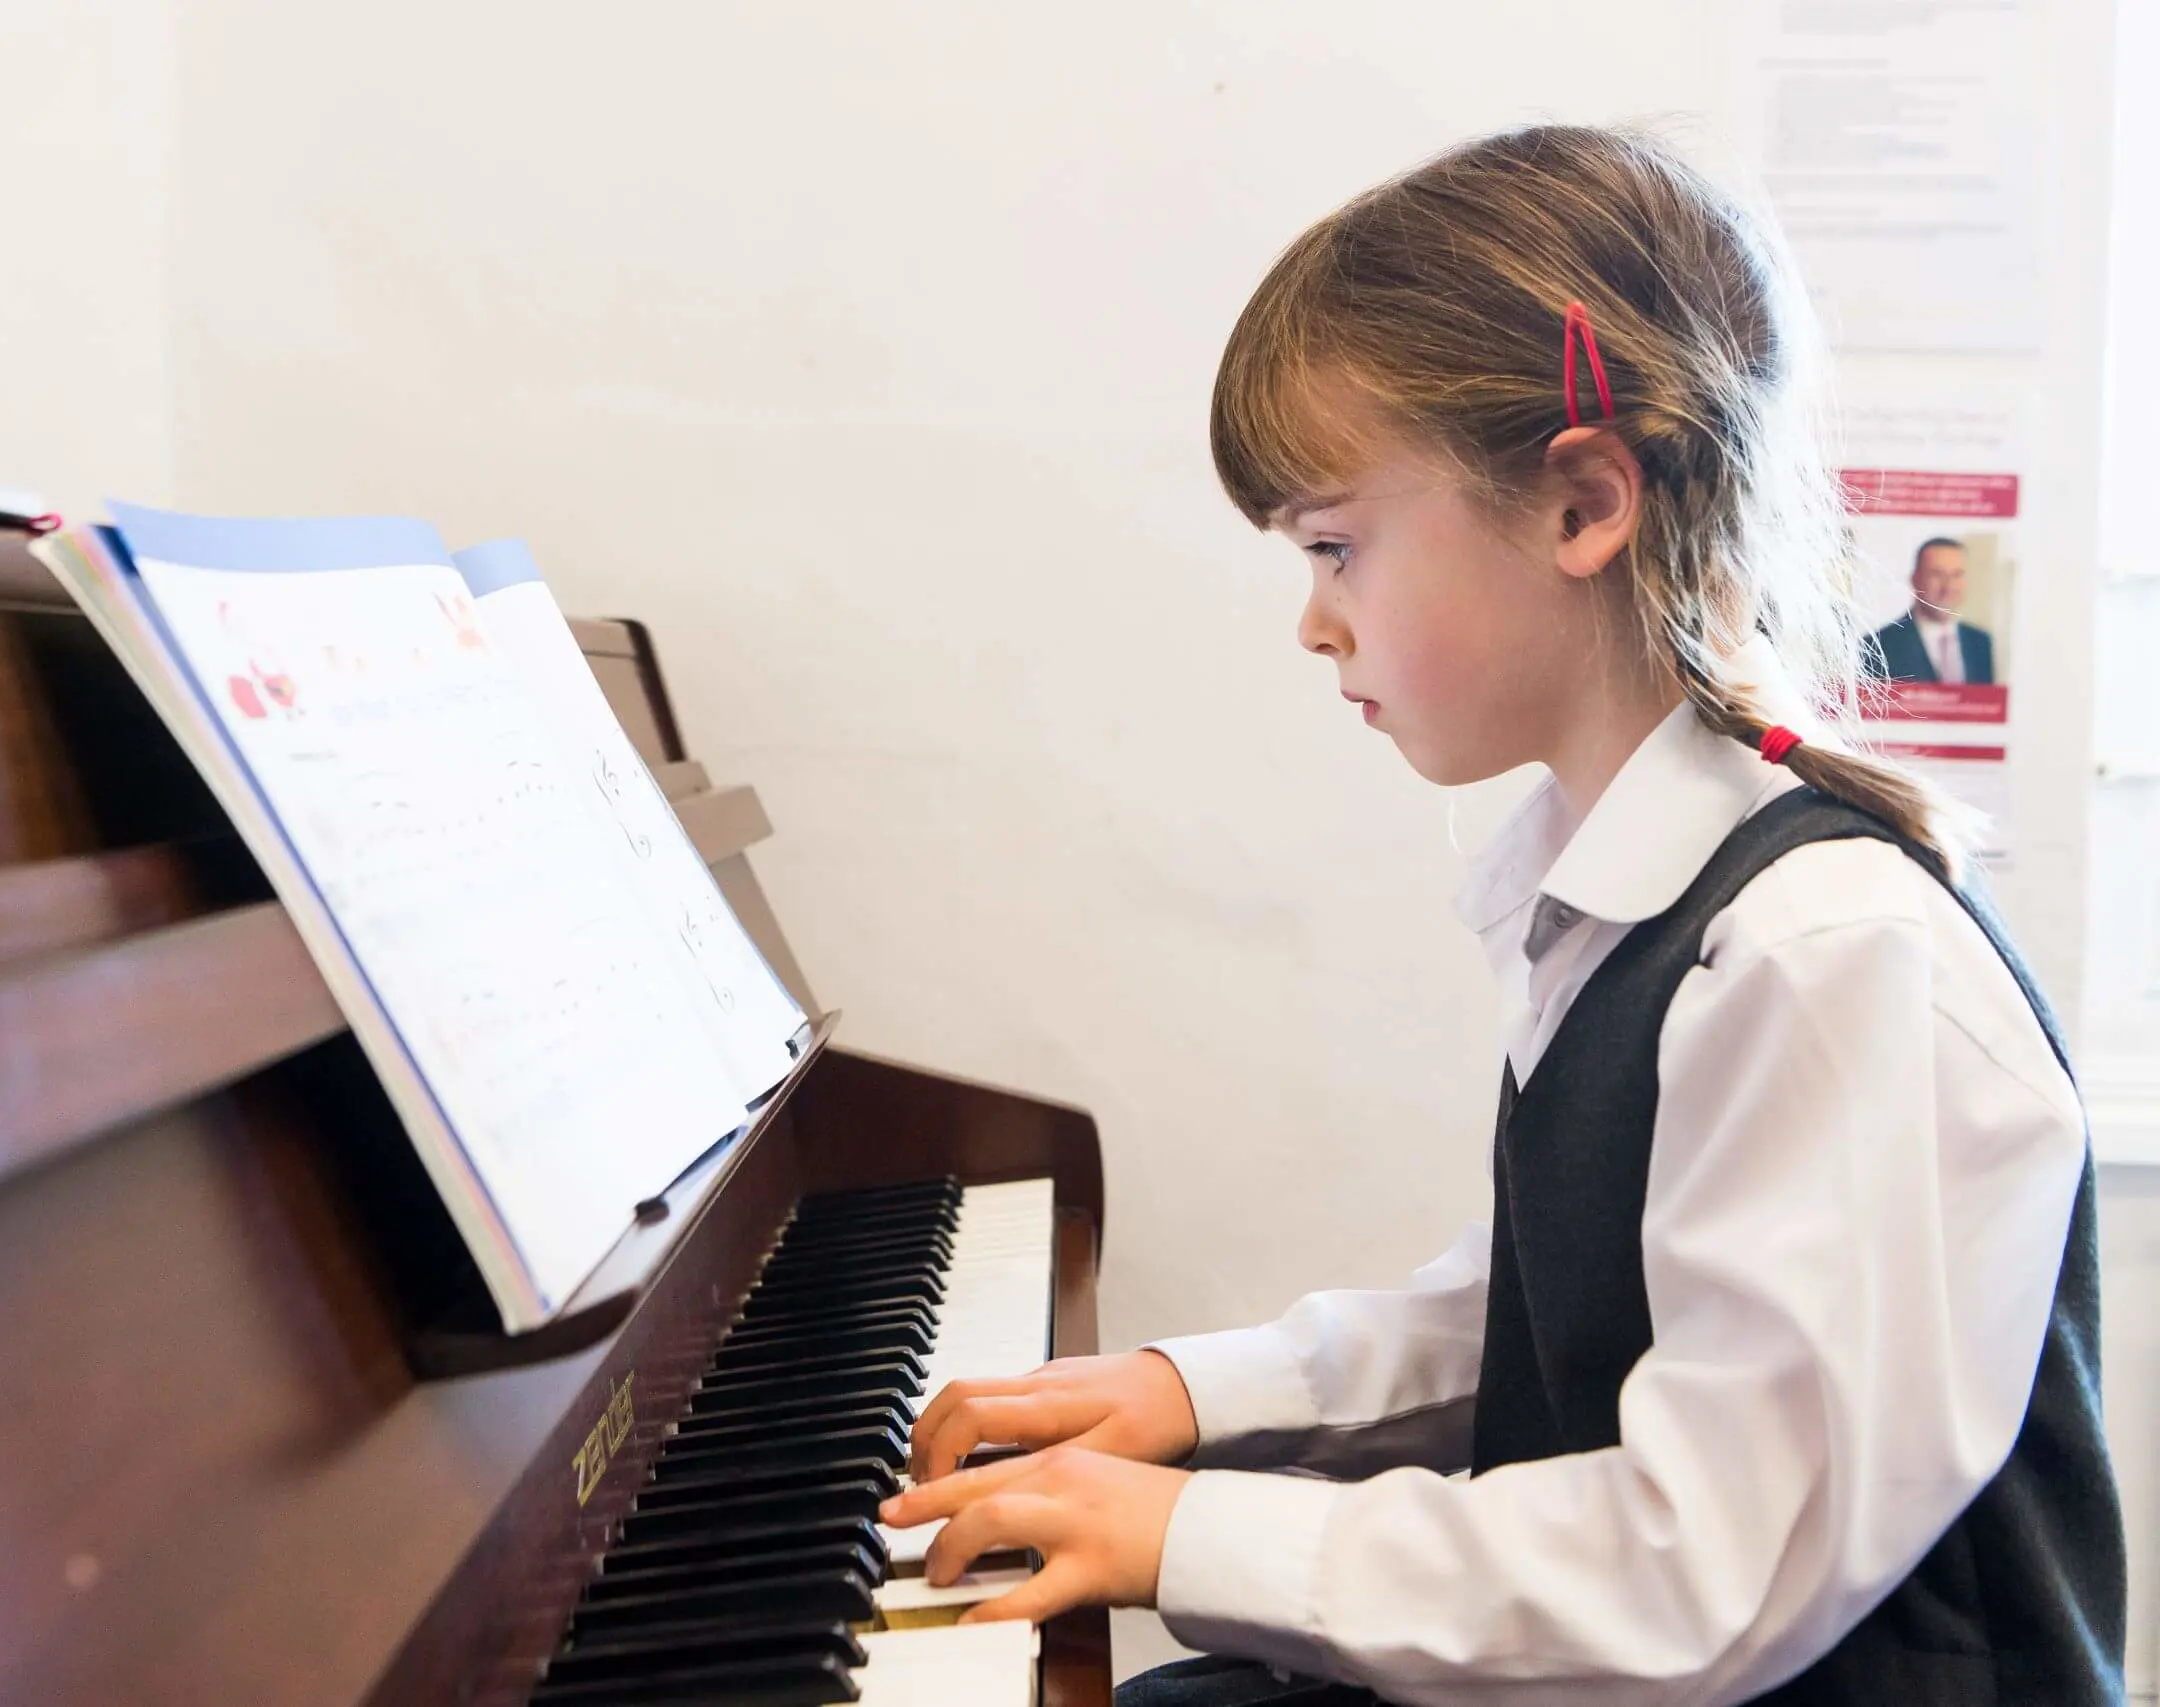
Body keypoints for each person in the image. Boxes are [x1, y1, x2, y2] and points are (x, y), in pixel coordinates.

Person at [879, 125, 2121, 1705]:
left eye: (1337, 544)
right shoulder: (1626, 882)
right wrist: (1191, 1393)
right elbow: (1558, 1320)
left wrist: (1186, 1530)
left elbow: (1702, 1576)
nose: (1314, 620)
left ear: (1581, 505)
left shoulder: (1825, 960)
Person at [1867, 538, 1996, 685]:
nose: (1948, 586)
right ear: (1914, 579)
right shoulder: (1878, 645)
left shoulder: (1980, 642)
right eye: (1937, 574)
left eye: (1957, 574)